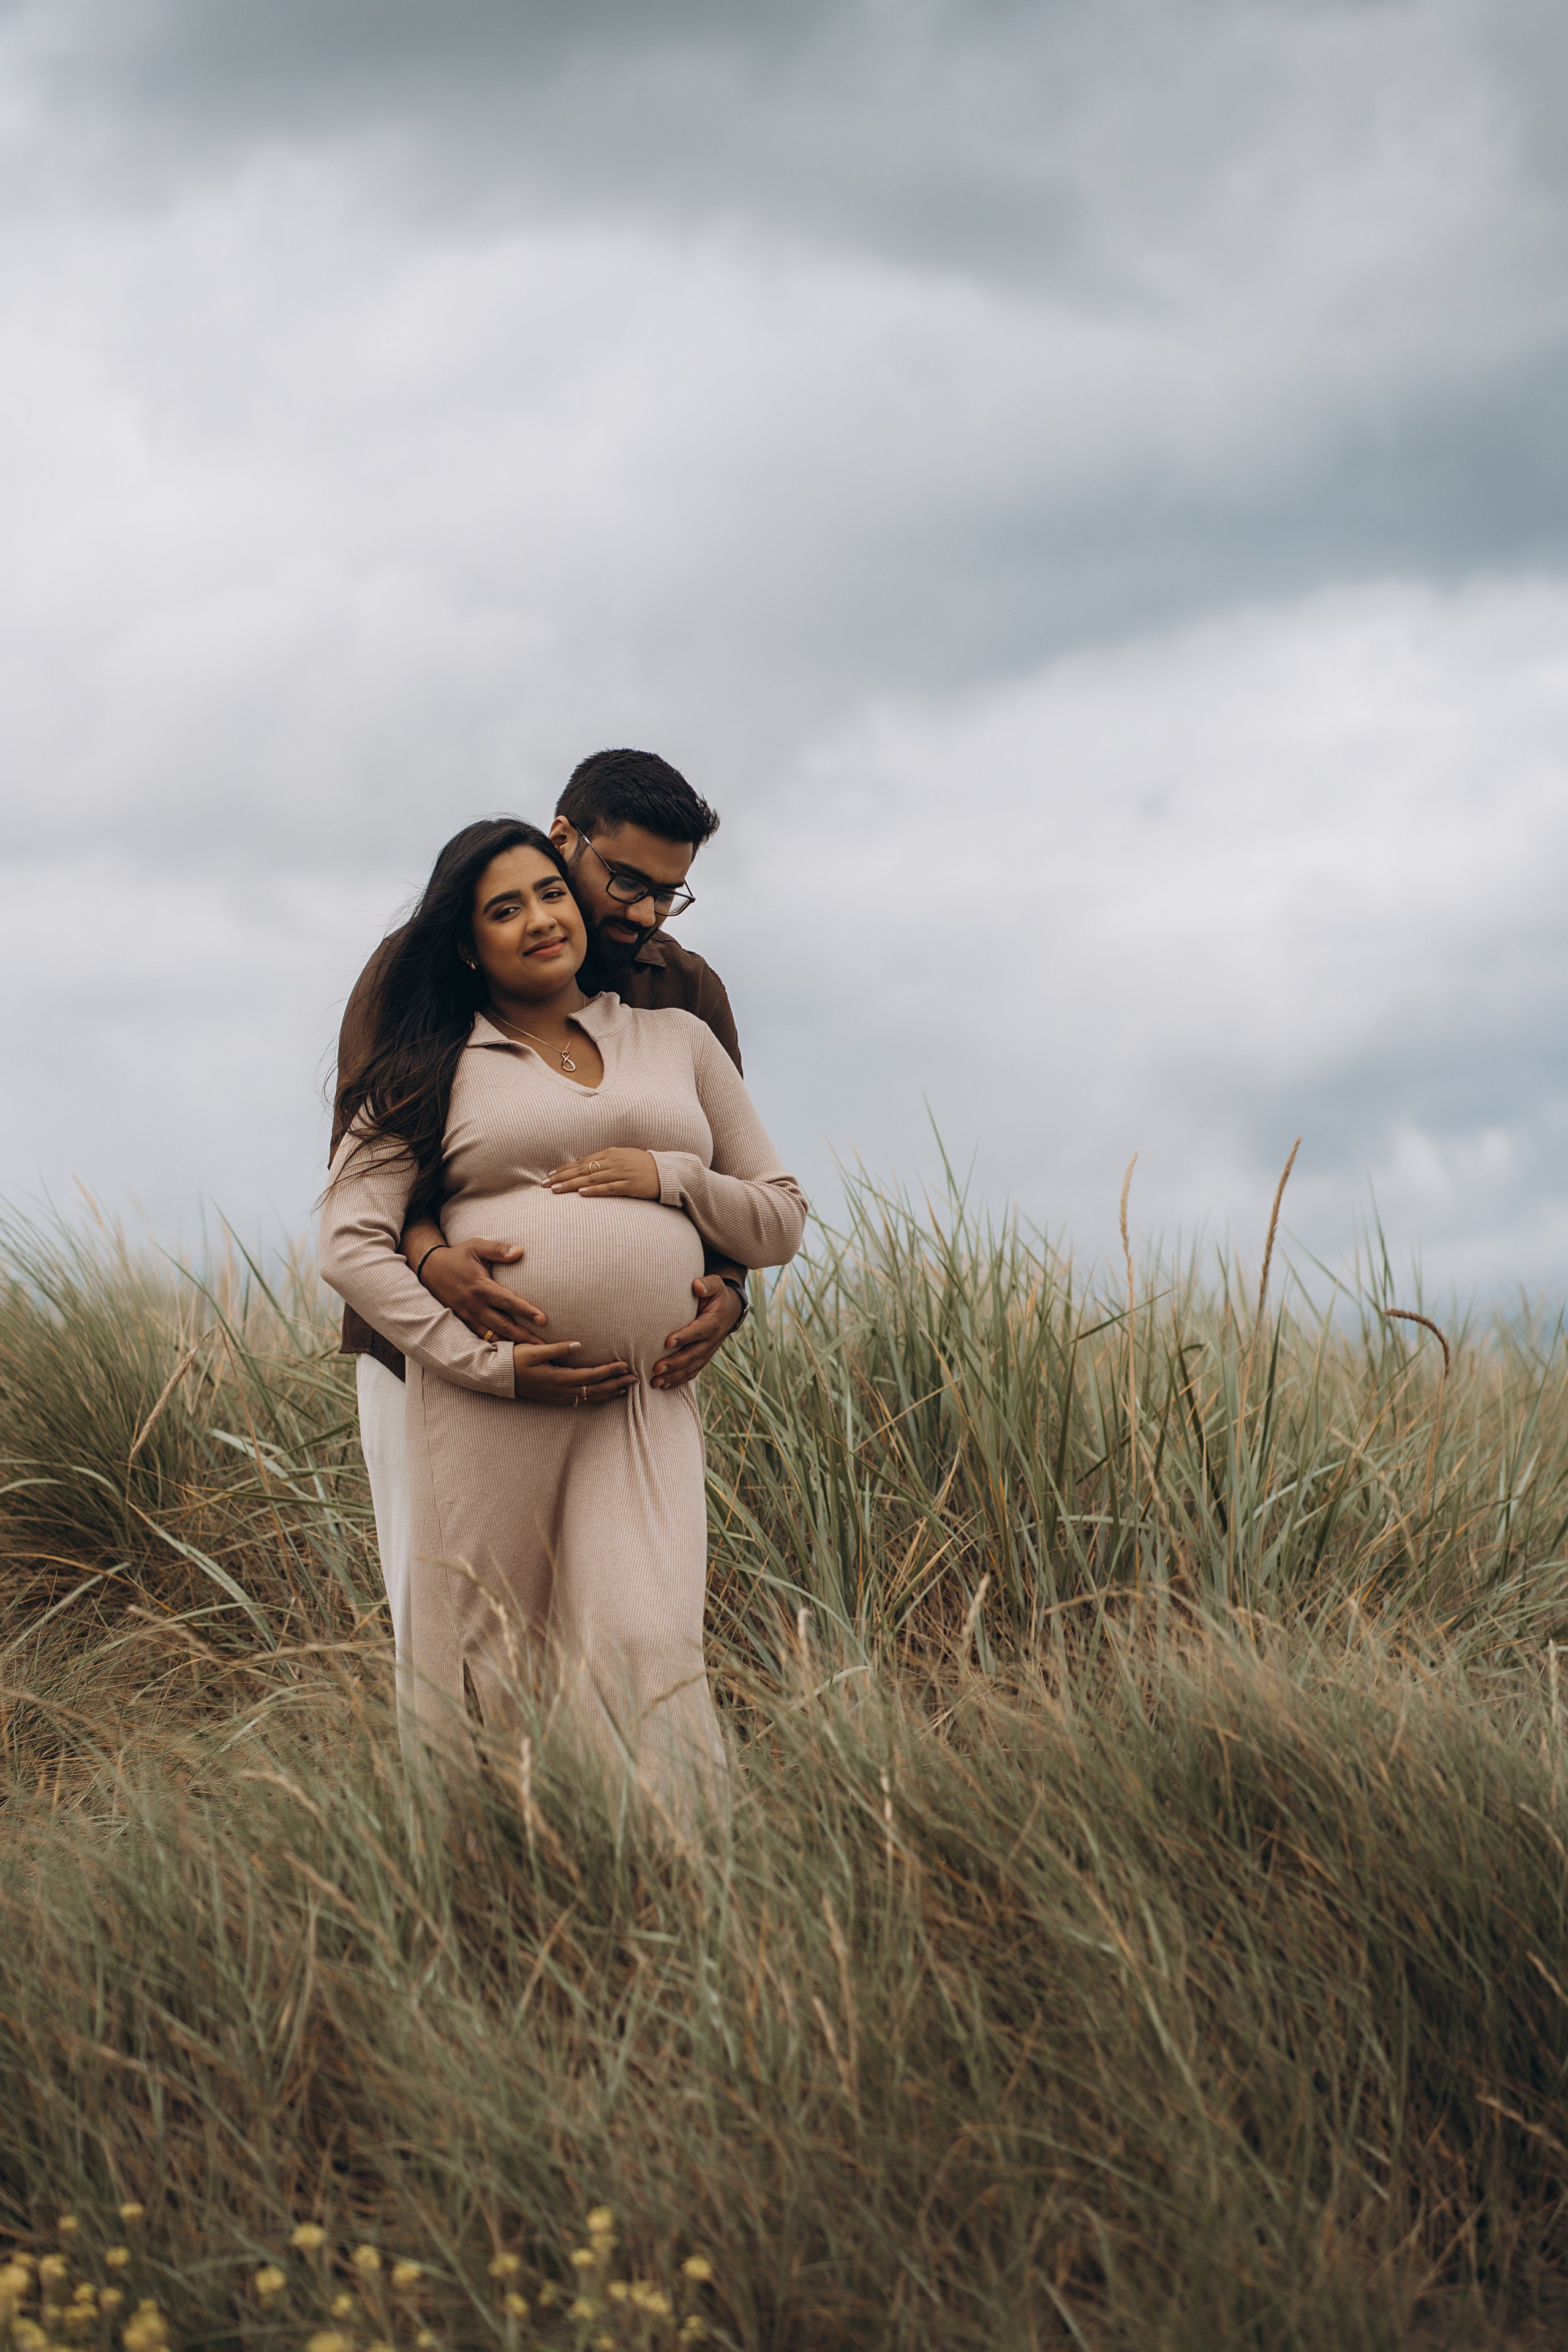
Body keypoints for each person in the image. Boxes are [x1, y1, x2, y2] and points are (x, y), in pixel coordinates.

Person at [320, 818, 805, 1791]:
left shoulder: (680, 1031)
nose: (543, 919)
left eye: (548, 895)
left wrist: (672, 1177)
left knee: (647, 1640)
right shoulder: (431, 1053)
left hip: (641, 1400)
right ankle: (493, 1872)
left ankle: (677, 1867)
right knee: (491, 1665)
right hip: (489, 1406)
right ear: (467, 944)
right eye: (506, 910)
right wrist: (484, 1360)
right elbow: (348, 1240)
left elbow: (779, 1217)